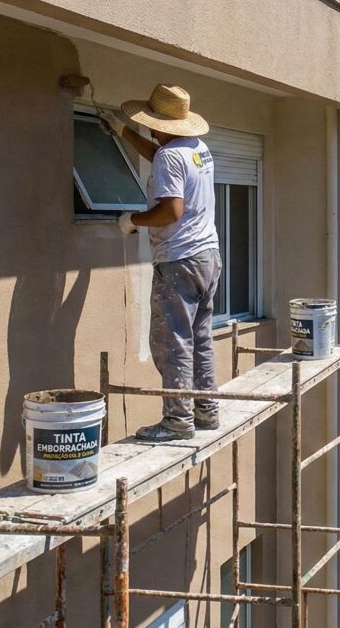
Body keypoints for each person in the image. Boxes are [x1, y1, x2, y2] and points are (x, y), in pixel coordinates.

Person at [101, 84, 222, 442]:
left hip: (180, 260)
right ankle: (206, 411)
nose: (151, 128)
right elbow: (160, 154)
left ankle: (177, 421)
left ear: (161, 124)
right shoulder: (197, 149)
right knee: (199, 338)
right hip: (208, 258)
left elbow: (171, 211)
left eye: (152, 122)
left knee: (173, 342)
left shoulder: (171, 156)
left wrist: (132, 221)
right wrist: (123, 132)